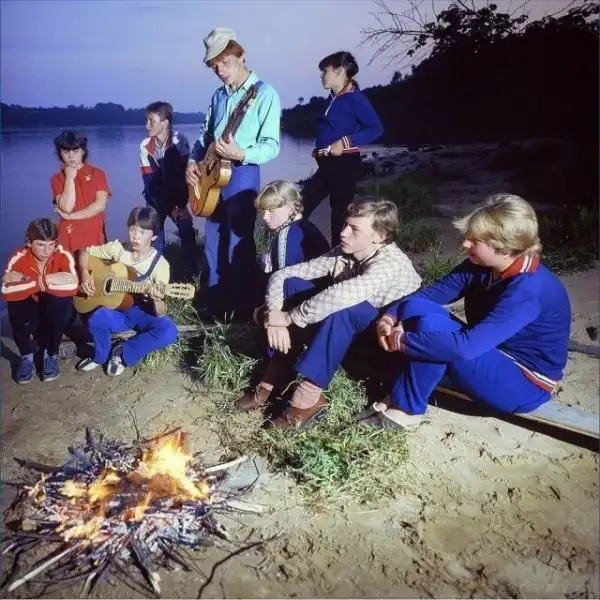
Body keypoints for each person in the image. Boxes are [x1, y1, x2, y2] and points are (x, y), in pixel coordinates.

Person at [363, 194, 571, 429]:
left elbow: (465, 347)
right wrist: (390, 316)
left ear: (504, 247)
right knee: (418, 308)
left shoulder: (528, 289)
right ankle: (398, 396)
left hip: (524, 382)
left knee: (432, 327)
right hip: (488, 352)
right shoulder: (482, 266)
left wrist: (402, 341)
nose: (465, 244)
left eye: (475, 241)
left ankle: (406, 409)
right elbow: (427, 297)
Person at [235, 198, 422, 430]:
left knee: (347, 307)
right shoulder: (346, 252)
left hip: (385, 348)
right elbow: (282, 275)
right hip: (345, 335)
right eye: (345, 224)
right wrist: (275, 317)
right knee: (293, 284)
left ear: (380, 236)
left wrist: (288, 317)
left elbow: (340, 295)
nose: (343, 233)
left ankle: (308, 397)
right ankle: (277, 372)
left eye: (354, 229)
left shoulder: (390, 263)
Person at [186, 27, 281, 319]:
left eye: (225, 63)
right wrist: (192, 162)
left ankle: (242, 310)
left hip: (242, 174)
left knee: (238, 245)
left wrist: (241, 154)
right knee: (213, 243)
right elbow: (204, 137)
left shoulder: (265, 94)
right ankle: (216, 303)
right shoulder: (218, 96)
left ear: (242, 56)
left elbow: (272, 145)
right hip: (211, 176)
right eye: (215, 67)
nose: (220, 71)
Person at [74, 206, 178, 376]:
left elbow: (160, 312)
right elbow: (84, 251)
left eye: (142, 232)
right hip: (116, 311)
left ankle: (122, 352)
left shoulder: (160, 265)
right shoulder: (117, 249)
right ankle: (99, 357)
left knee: (169, 331)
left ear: (154, 236)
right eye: (132, 230)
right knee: (96, 317)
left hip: (142, 312)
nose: (136, 236)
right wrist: (85, 273)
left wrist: (157, 299)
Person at [301, 51, 384, 246]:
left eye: (325, 71)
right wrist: (320, 149)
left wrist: (345, 143)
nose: (321, 75)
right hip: (327, 165)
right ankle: (317, 252)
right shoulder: (333, 99)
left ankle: (340, 259)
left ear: (339, 71)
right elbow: (331, 131)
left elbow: (376, 129)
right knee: (300, 208)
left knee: (338, 218)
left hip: (345, 164)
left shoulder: (356, 98)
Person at [1, 218, 78, 383]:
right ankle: (26, 355)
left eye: (51, 244)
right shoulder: (18, 257)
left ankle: (51, 353)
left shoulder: (63, 254)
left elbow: (73, 286)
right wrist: (47, 279)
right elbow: (6, 291)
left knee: (62, 302)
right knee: (15, 303)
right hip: (31, 313)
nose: (47, 251)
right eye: (41, 245)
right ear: (29, 243)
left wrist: (26, 280)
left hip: (53, 312)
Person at [140, 101, 197, 273]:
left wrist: (179, 206)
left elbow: (182, 177)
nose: (147, 125)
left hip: (177, 196)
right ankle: (154, 271)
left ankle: (191, 272)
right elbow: (149, 181)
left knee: (186, 227)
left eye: (151, 121)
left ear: (165, 123)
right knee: (154, 230)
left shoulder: (180, 140)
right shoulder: (144, 146)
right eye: (147, 120)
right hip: (156, 197)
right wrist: (167, 206)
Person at [255, 179, 330, 282]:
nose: (265, 217)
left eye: (271, 211)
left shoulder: (287, 235)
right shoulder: (302, 224)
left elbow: (282, 281)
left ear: (290, 208)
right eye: (263, 211)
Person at [51, 131, 111, 253]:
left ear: (83, 151)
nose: (71, 156)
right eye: (66, 152)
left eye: (75, 151)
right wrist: (69, 177)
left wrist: (71, 217)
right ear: (60, 153)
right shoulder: (57, 178)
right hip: (68, 236)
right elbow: (67, 207)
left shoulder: (97, 173)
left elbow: (100, 205)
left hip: (94, 233)